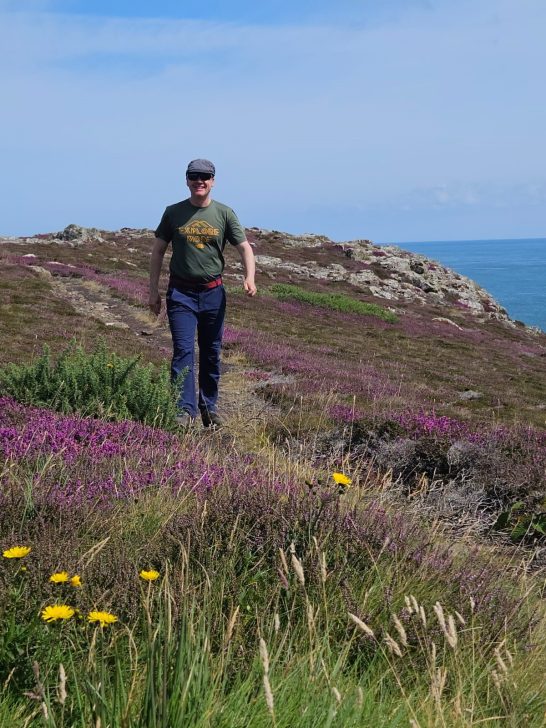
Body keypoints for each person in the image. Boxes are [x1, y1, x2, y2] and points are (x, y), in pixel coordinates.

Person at [149, 159, 256, 428]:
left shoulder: (224, 213)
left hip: (213, 294)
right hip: (181, 294)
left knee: (211, 352)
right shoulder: (173, 213)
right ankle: (184, 411)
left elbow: (244, 247)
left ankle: (209, 408)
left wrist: (250, 277)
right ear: (186, 180)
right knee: (183, 351)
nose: (200, 181)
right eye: (194, 176)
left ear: (213, 181)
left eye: (205, 176)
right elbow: (158, 251)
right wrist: (153, 291)